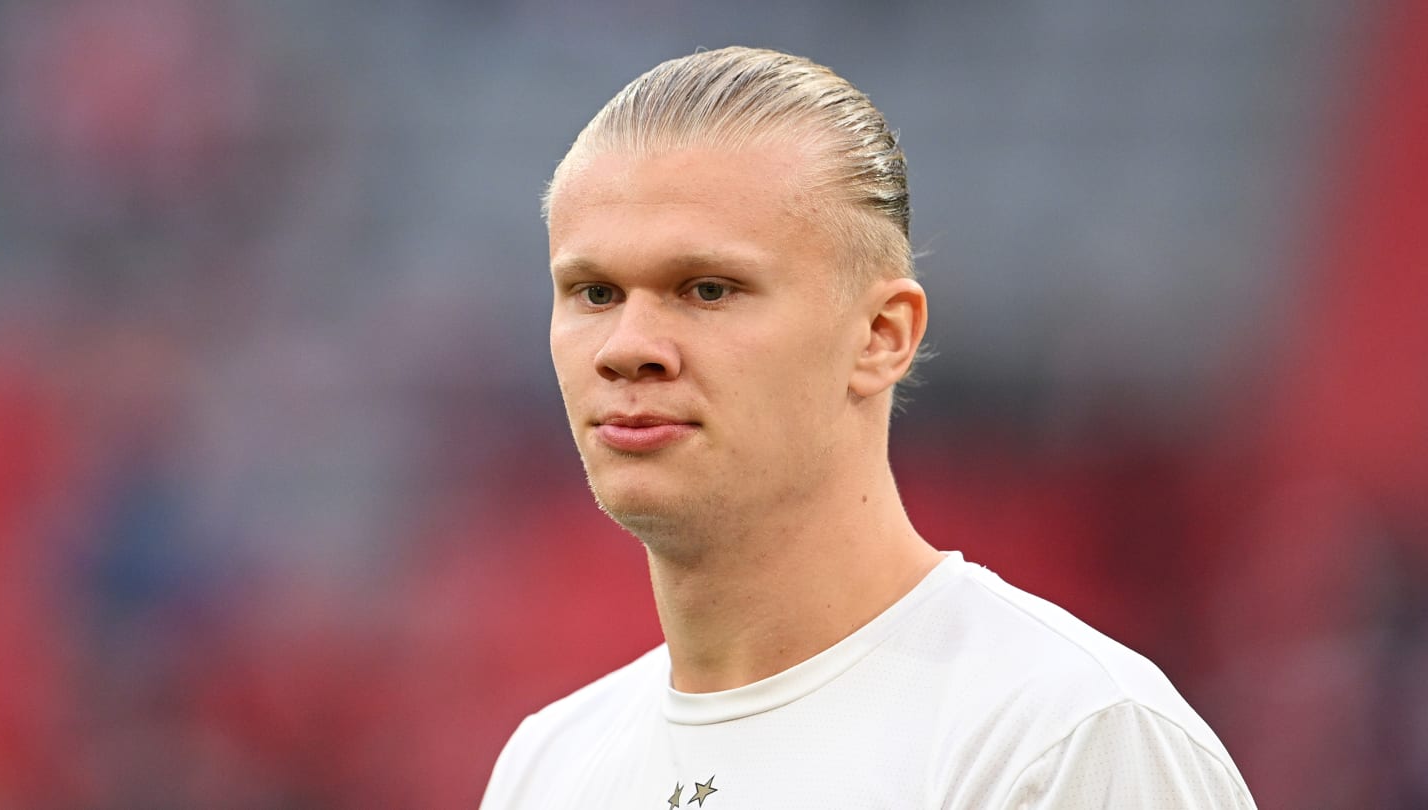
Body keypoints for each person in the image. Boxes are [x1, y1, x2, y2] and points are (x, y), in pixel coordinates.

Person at [481, 46, 1255, 809]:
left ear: (882, 335)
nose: (626, 349)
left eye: (708, 289)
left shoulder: (1063, 739)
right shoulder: (547, 768)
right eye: (594, 293)